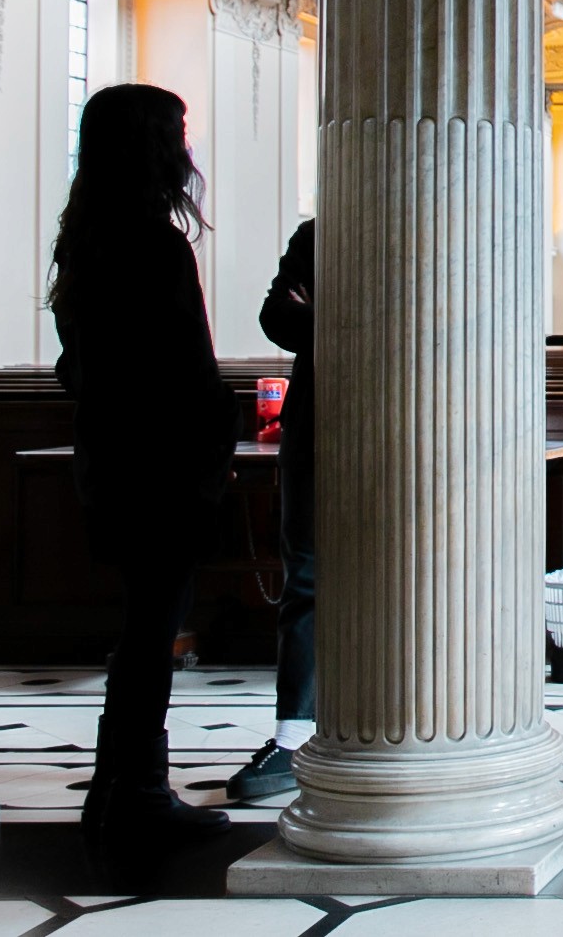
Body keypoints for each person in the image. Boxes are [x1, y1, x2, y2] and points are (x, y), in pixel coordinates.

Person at [48, 84, 236, 857]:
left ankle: (115, 782)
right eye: (176, 133)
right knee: (154, 624)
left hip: (109, 456)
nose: (183, 149)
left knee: (142, 625)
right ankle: (140, 793)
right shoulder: (154, 243)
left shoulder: (85, 239)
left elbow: (75, 368)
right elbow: (187, 367)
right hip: (161, 464)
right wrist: (216, 442)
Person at [229, 218, 316, 799]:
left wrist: (321, 312)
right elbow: (273, 317)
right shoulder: (315, 236)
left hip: (399, 427)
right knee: (305, 579)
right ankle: (291, 737)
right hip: (313, 430)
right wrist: (349, 321)